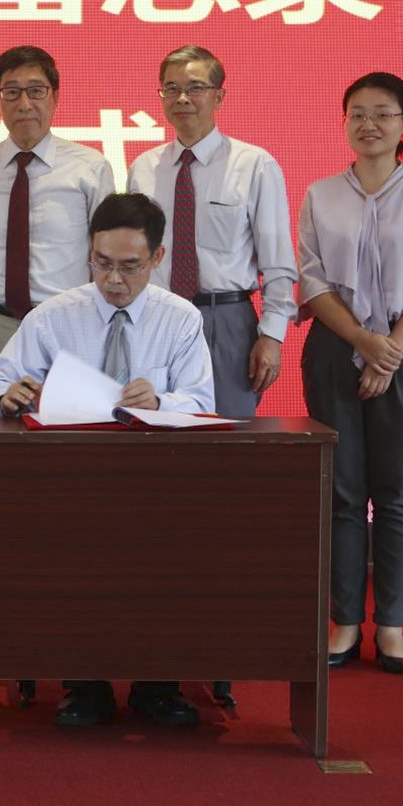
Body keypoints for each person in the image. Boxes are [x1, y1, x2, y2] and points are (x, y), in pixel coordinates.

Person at [0, 194, 215, 728]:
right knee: (69, 546)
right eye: (102, 263)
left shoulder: (180, 319)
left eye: (129, 266)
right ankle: (85, 683)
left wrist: (161, 402)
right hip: (72, 481)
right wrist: (7, 396)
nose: (113, 280)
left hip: (156, 483)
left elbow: (202, 402)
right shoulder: (54, 316)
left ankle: (158, 685)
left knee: (172, 547)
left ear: (157, 258)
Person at [127, 44, 296, 706]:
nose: (182, 99)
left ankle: (219, 648)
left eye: (196, 87)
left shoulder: (256, 164)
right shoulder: (143, 166)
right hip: (155, 324)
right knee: (155, 485)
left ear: (220, 96)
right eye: (171, 87)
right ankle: (155, 640)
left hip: (227, 323)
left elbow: (279, 264)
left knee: (221, 488)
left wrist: (271, 335)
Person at [297, 73, 403, 676]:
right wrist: (364, 342)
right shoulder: (319, 194)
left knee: (396, 493)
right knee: (342, 492)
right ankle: (345, 622)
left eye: (384, 113)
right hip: (335, 347)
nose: (369, 124)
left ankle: (391, 625)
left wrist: (389, 352)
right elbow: (311, 279)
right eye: (358, 113)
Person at [0, 46, 114, 415]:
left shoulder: (89, 167)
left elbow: (105, 260)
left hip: (67, 325)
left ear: (55, 97)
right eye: (11, 92)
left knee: (72, 431)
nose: (24, 103)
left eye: (36, 91)